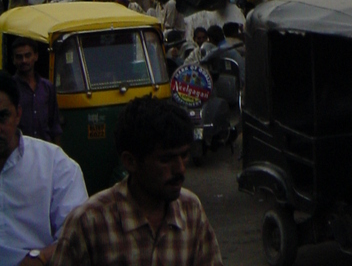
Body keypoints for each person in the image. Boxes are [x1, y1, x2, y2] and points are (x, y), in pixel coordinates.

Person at [49, 96, 223, 266]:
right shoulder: (90, 223)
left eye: (184, 156)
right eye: (165, 160)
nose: (180, 169)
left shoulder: (191, 211)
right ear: (130, 161)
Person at [0, 71, 87, 266]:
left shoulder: (56, 165)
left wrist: (40, 257)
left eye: (2, 117)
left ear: (18, 115)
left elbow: (77, 236)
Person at [12, 39, 61, 145]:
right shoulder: (10, 87)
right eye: (19, 57)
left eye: (27, 55)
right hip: (20, 150)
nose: (24, 60)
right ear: (14, 60)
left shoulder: (47, 87)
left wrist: (57, 153)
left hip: (45, 149)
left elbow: (55, 126)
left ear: (36, 56)